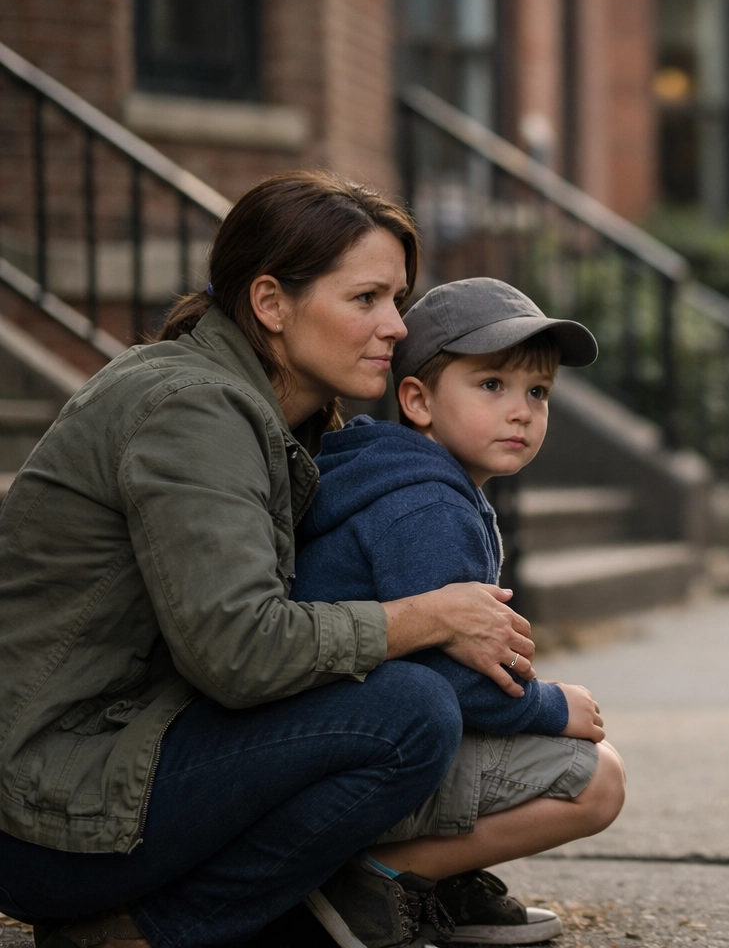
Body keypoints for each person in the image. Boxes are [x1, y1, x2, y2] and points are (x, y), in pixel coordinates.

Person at [0, 171, 612, 948]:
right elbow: (238, 650)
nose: (395, 327)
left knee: (411, 702)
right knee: (410, 714)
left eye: (397, 299)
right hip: (51, 805)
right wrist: (428, 617)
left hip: (132, 755)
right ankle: (151, 931)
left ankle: (322, 895)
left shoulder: (284, 425)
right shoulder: (192, 411)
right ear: (270, 304)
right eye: (367, 300)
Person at [291, 277, 624, 945]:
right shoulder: (427, 507)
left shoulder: (409, 477)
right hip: (354, 763)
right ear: (416, 399)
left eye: (538, 392)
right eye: (491, 385)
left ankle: (433, 877)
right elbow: (448, 684)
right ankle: (381, 877)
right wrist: (551, 706)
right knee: (599, 781)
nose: (522, 411)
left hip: (342, 749)